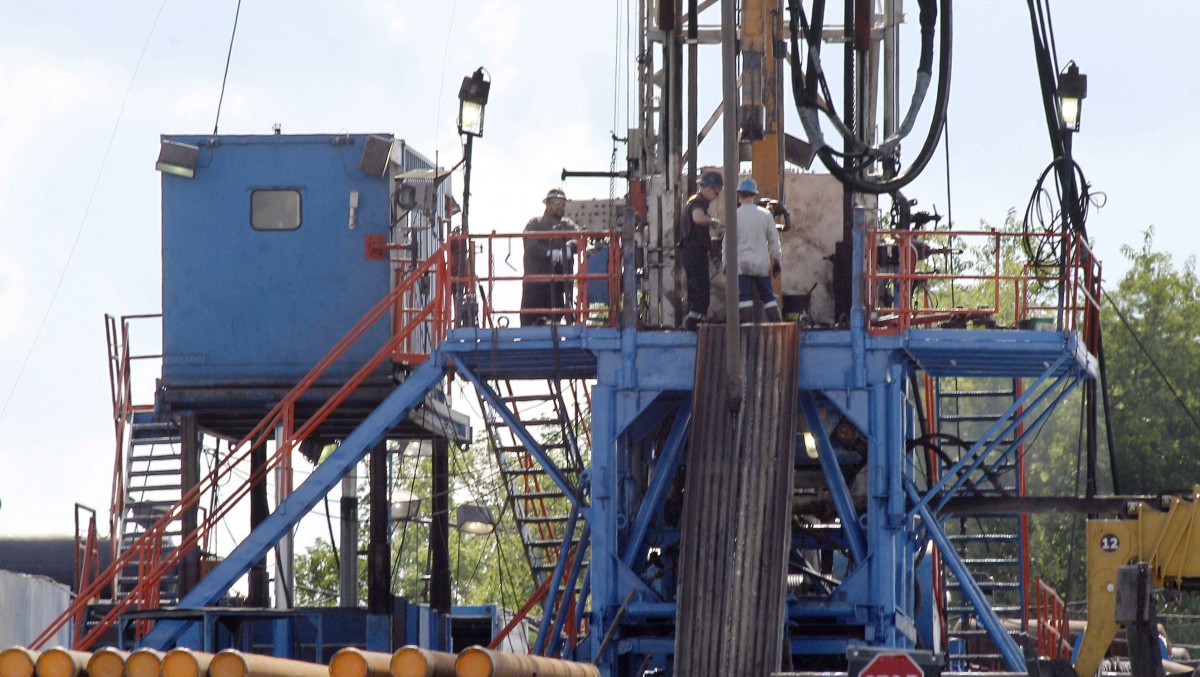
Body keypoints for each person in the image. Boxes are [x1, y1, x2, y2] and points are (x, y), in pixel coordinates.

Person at [521, 188, 579, 326]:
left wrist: (570, 246)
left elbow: (579, 238)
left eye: (563, 204)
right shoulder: (535, 223)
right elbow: (530, 241)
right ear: (547, 204)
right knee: (529, 324)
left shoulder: (568, 225)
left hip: (558, 285)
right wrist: (547, 253)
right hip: (535, 284)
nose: (560, 207)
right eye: (556, 202)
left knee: (555, 323)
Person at [732, 177, 783, 323]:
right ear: (754, 195)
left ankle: (747, 331)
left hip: (742, 264)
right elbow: (774, 240)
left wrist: (725, 264)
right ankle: (777, 327)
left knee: (745, 298)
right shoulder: (765, 215)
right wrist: (777, 260)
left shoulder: (734, 215)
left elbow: (727, 242)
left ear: (739, 195)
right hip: (761, 263)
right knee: (768, 297)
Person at [677, 171, 723, 330]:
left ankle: (692, 323)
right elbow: (697, 218)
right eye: (716, 193)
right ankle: (695, 326)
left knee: (694, 291)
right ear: (709, 188)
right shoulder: (698, 202)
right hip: (695, 253)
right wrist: (713, 222)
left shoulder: (692, 201)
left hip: (689, 253)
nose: (716, 196)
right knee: (701, 292)